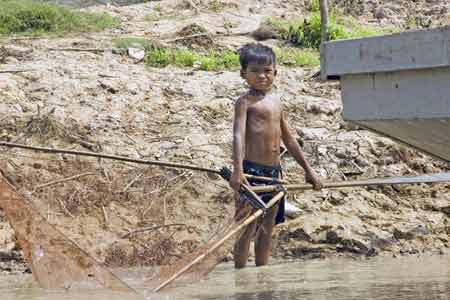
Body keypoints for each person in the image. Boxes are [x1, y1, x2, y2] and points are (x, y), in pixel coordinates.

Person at [230, 43, 322, 269]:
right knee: (247, 226)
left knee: (268, 226)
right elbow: (238, 136)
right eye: (255, 71)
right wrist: (238, 170)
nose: (262, 76)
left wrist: (308, 171)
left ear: (275, 72)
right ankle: (240, 272)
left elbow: (289, 139)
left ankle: (262, 273)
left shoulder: (276, 101)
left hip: (274, 174)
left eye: (267, 71)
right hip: (251, 172)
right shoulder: (245, 102)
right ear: (244, 74)